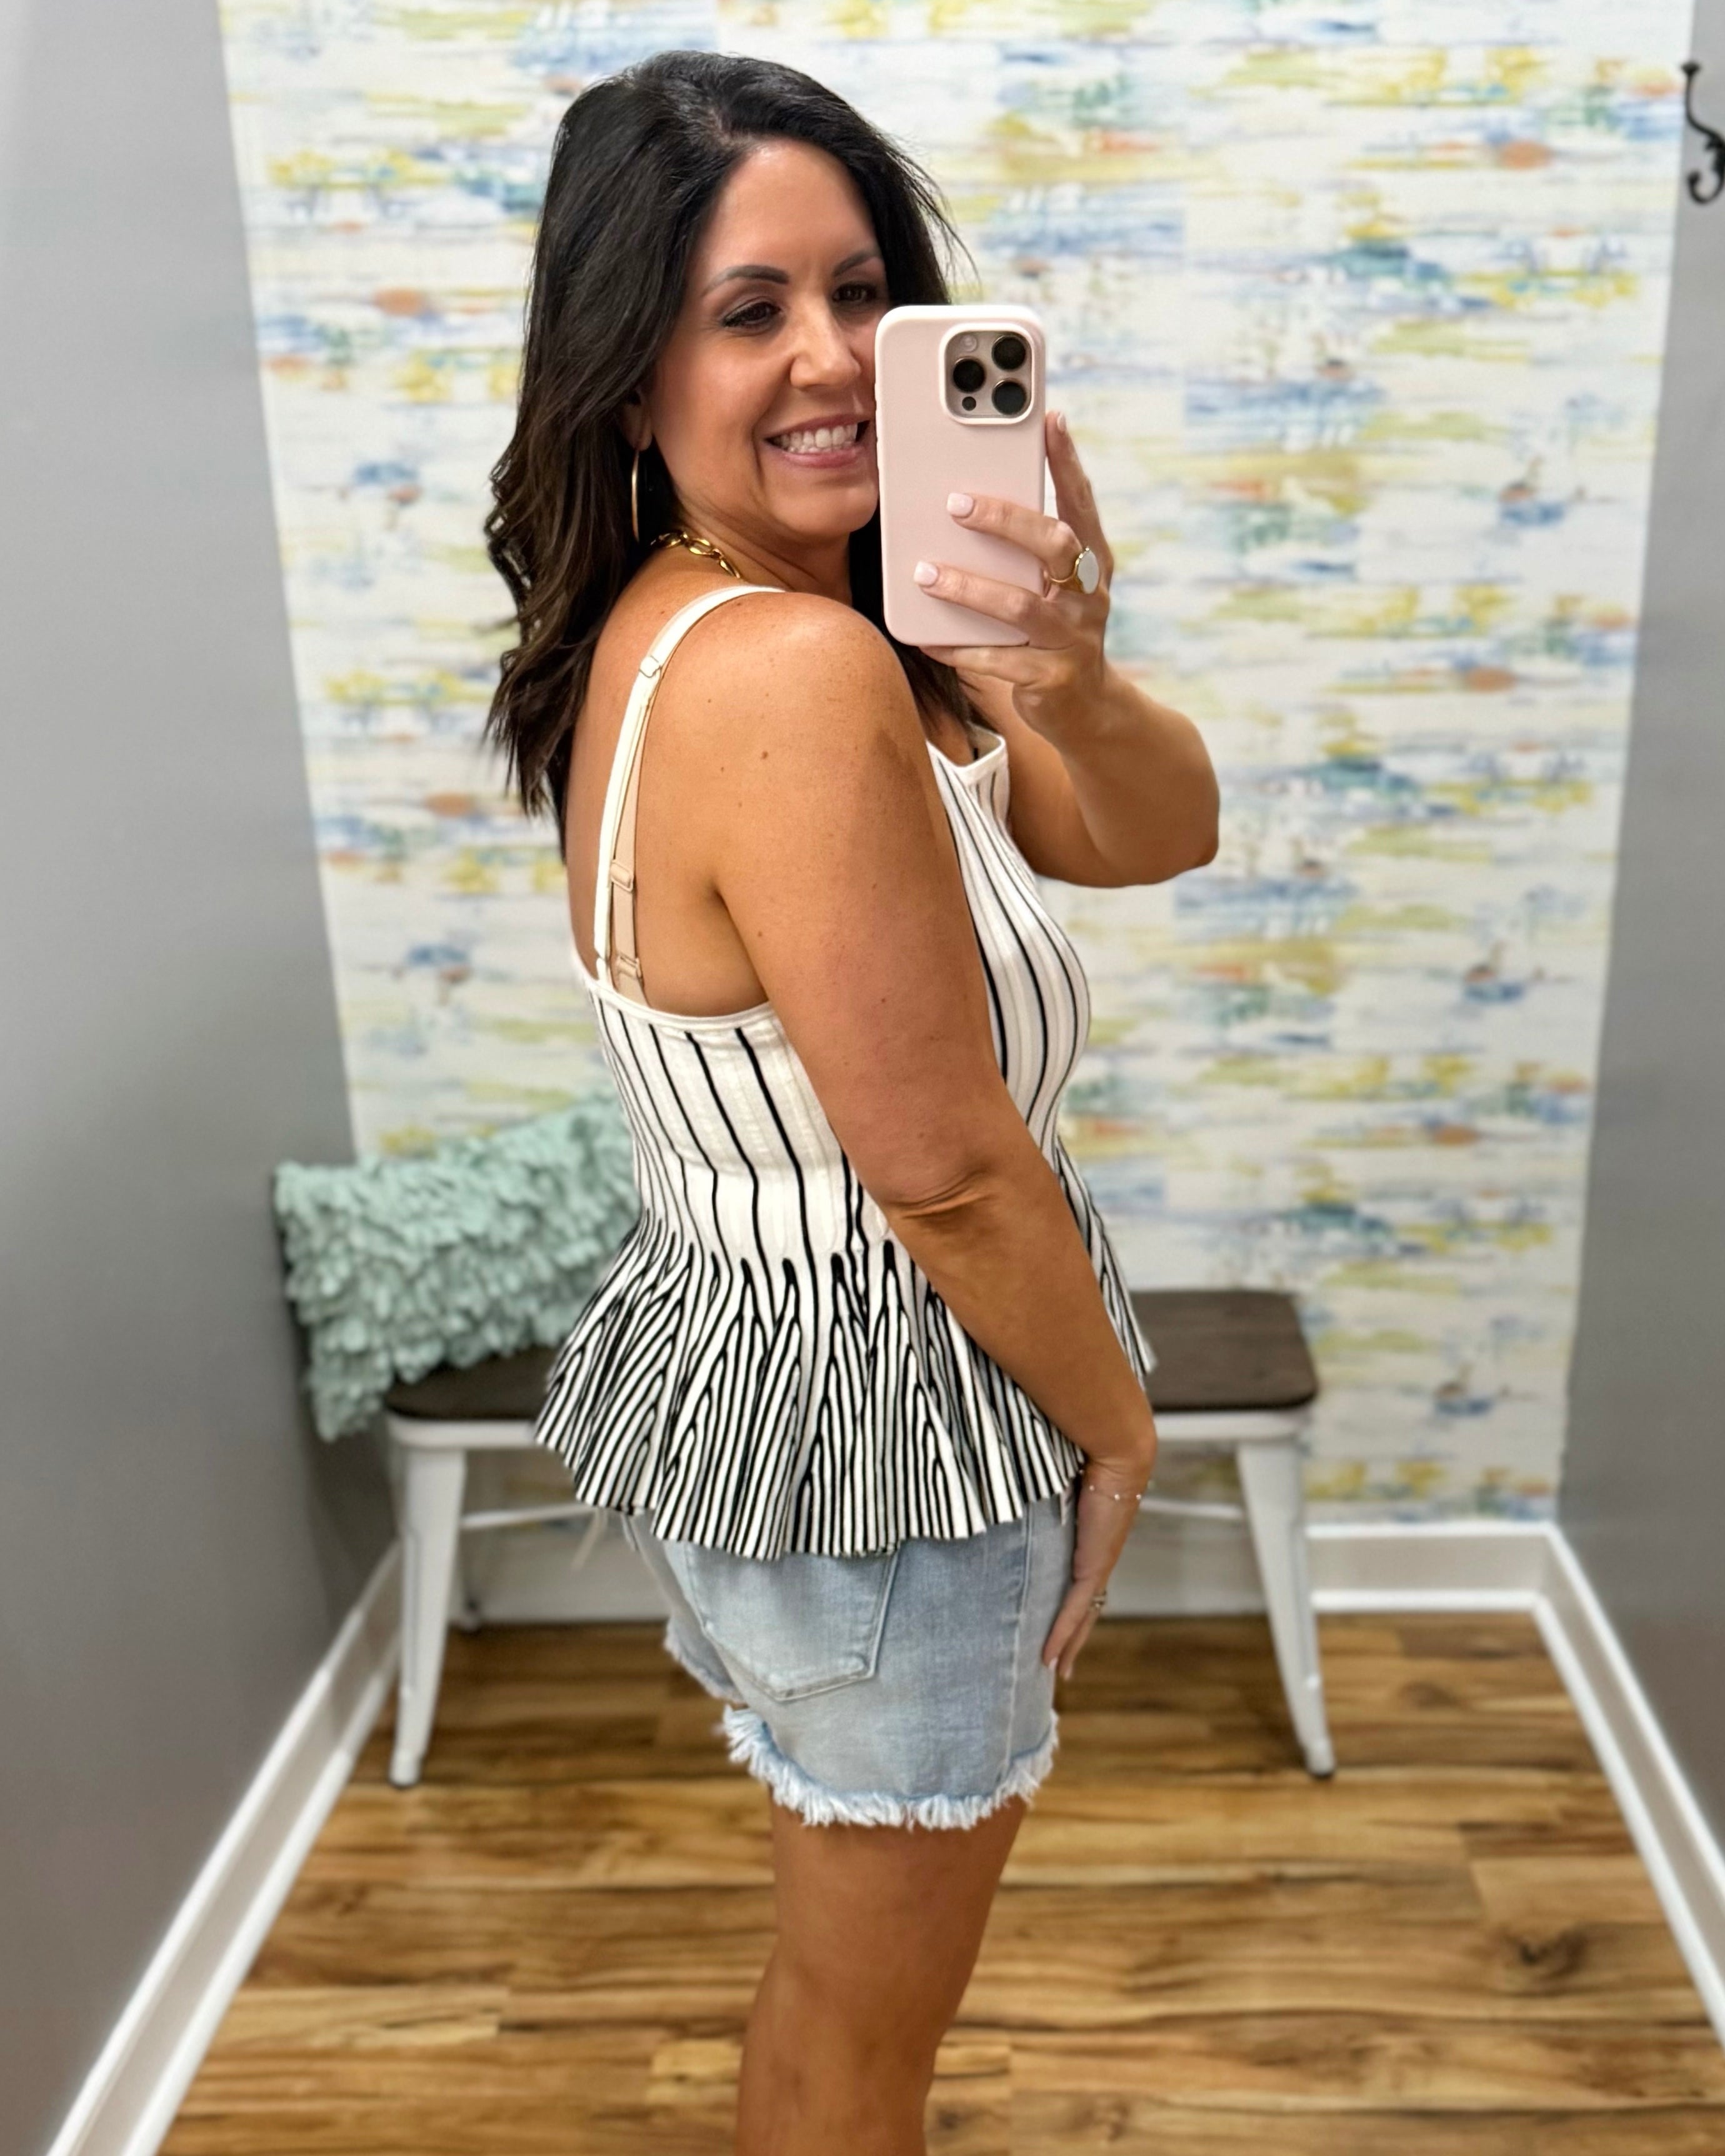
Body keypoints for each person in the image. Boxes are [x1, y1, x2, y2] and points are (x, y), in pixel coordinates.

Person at [482, 48, 1219, 2155]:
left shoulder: (733, 624)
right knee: (864, 2031)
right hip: (902, 1432)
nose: (828, 357)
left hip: (766, 1401)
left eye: (860, 291)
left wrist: (1067, 674)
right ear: (631, 375)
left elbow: (1150, 837)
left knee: (834, 1979)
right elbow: (944, 1166)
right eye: (747, 311)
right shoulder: (792, 674)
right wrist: (1119, 1417)